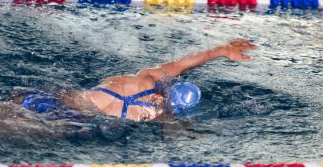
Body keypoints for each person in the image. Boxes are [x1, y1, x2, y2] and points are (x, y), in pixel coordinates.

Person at [18, 39, 256, 122]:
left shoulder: (147, 79)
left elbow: (184, 63)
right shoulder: (156, 114)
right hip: (64, 120)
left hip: (57, 98)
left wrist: (222, 50)